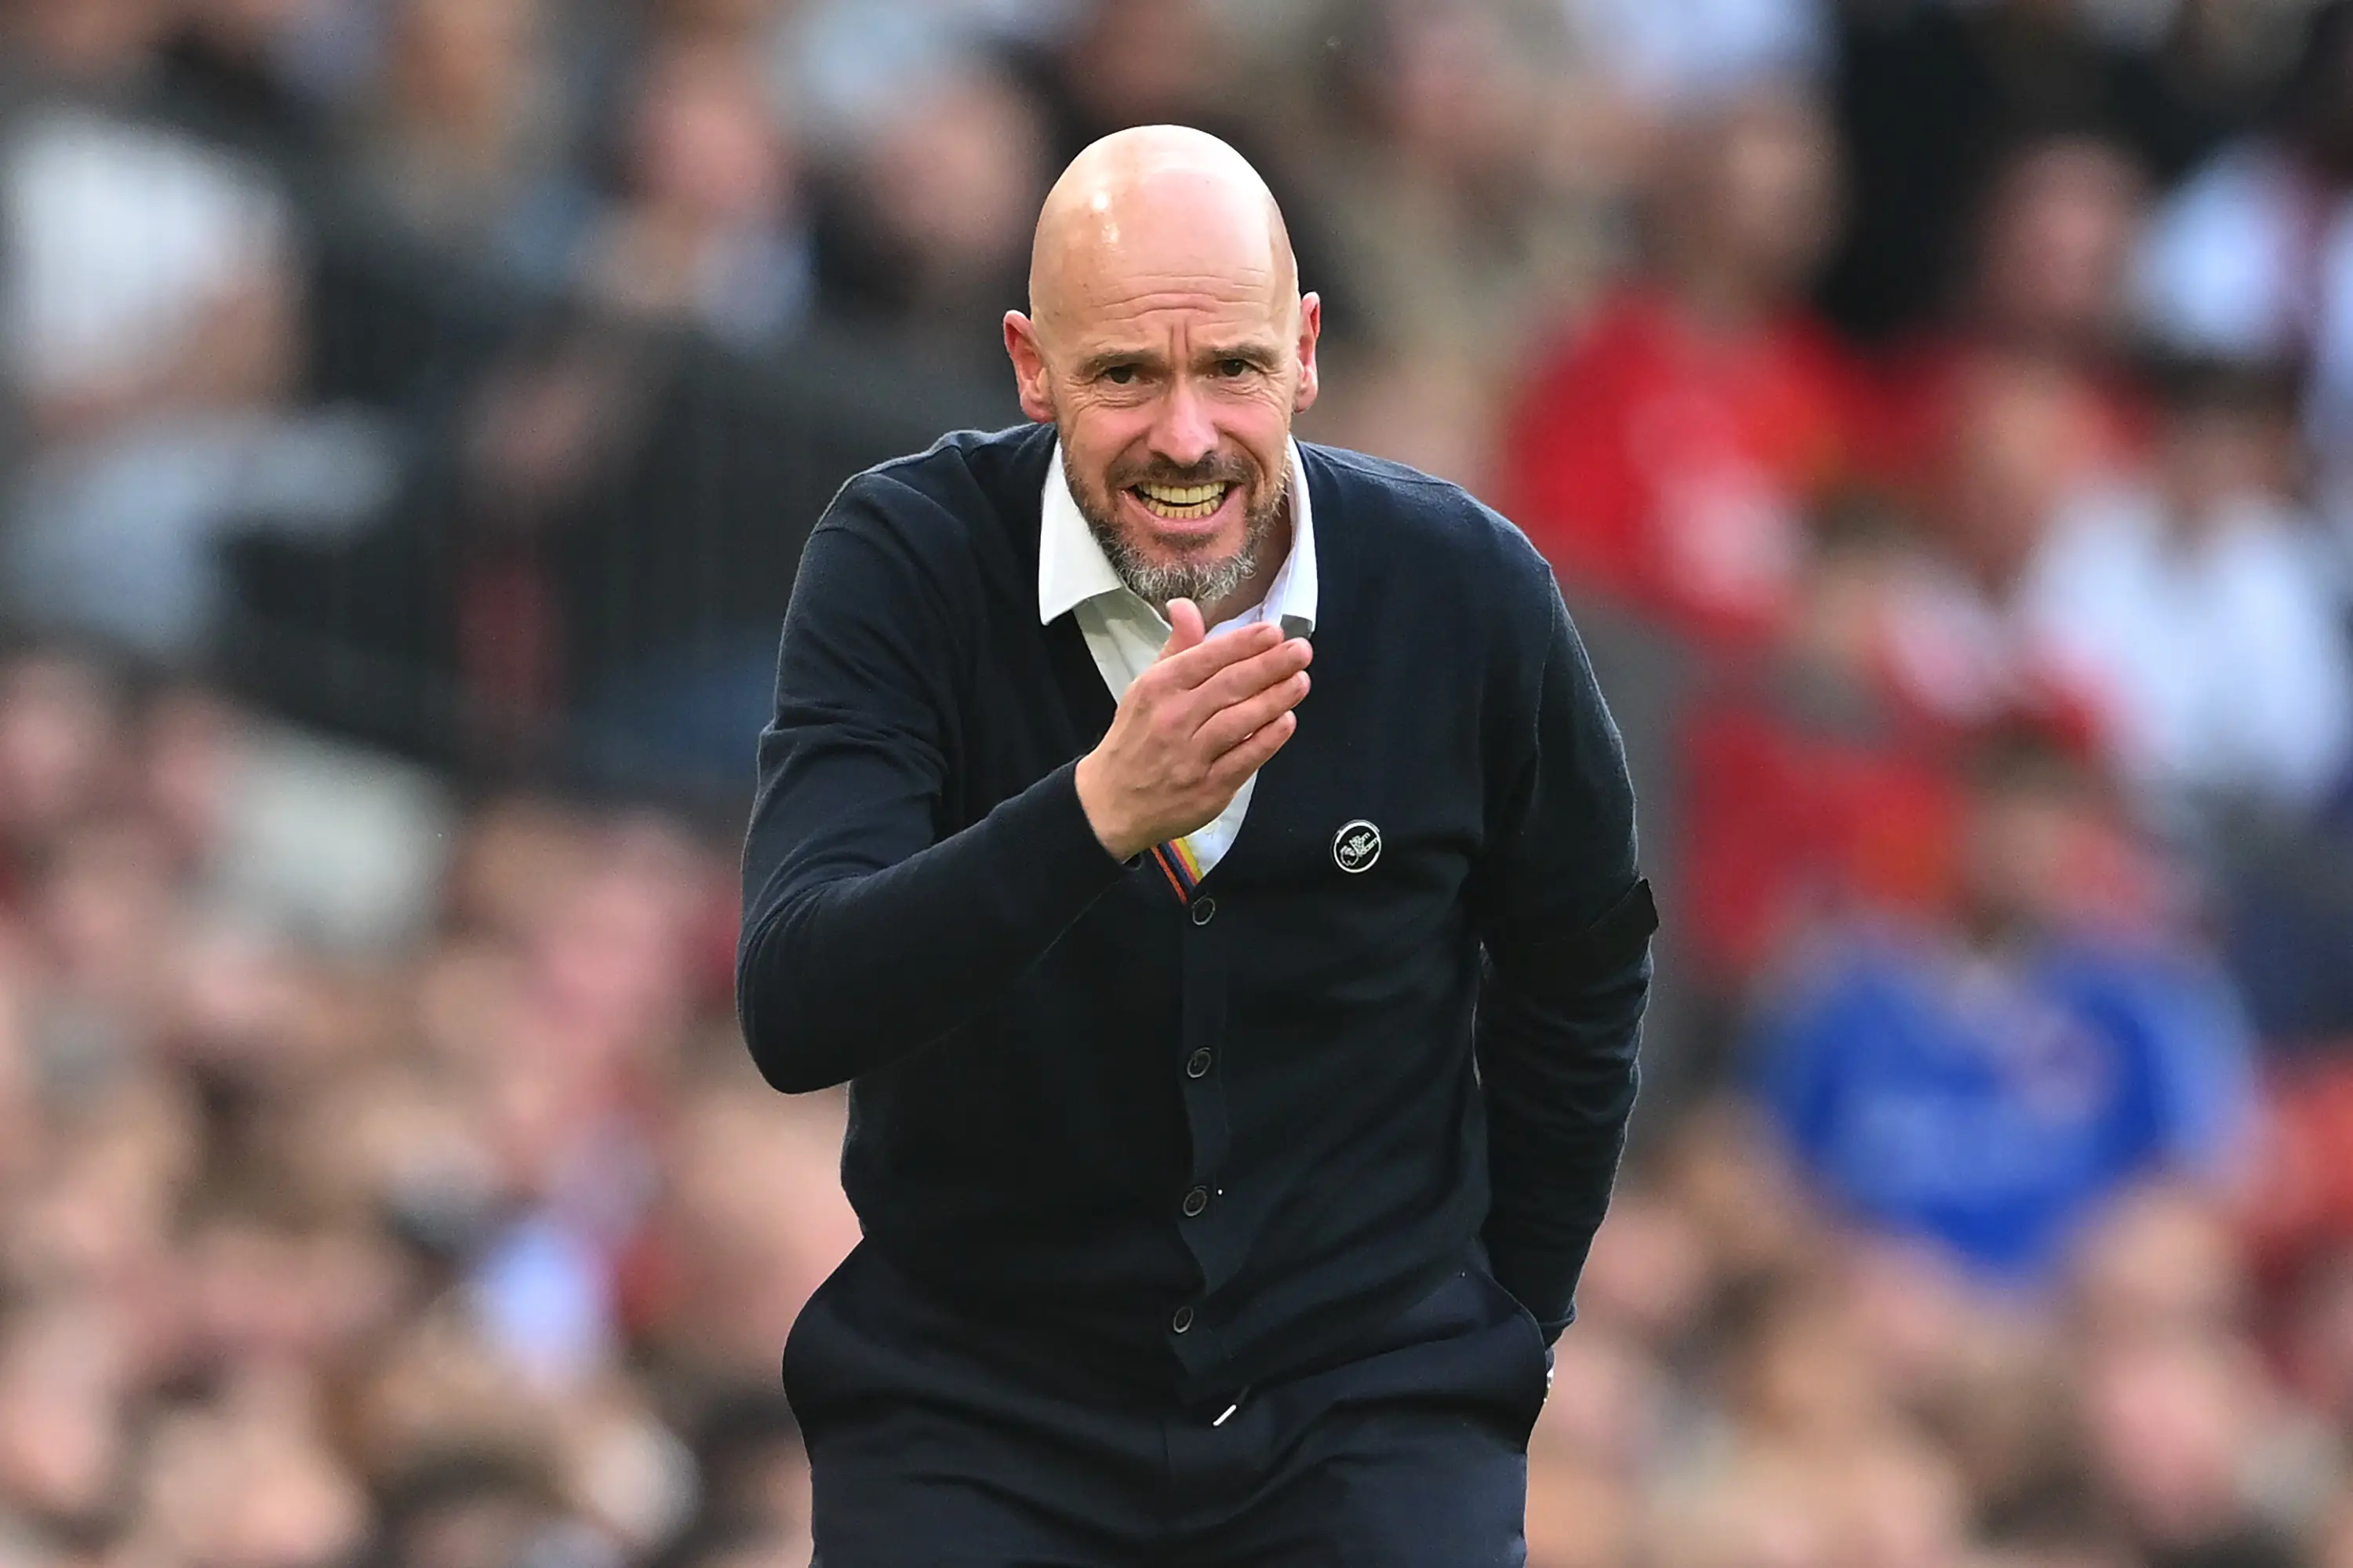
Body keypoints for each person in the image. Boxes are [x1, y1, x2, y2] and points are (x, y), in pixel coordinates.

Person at [736, 126, 1655, 1563]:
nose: (1184, 434)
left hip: (1371, 1398)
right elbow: (798, 998)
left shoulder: (1465, 586)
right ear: (1030, 366)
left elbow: (1584, 969)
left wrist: (1506, 1317)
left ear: (1302, 350)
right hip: (976, 1404)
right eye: (1123, 375)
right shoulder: (903, 556)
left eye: (1228, 366)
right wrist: (1100, 811)